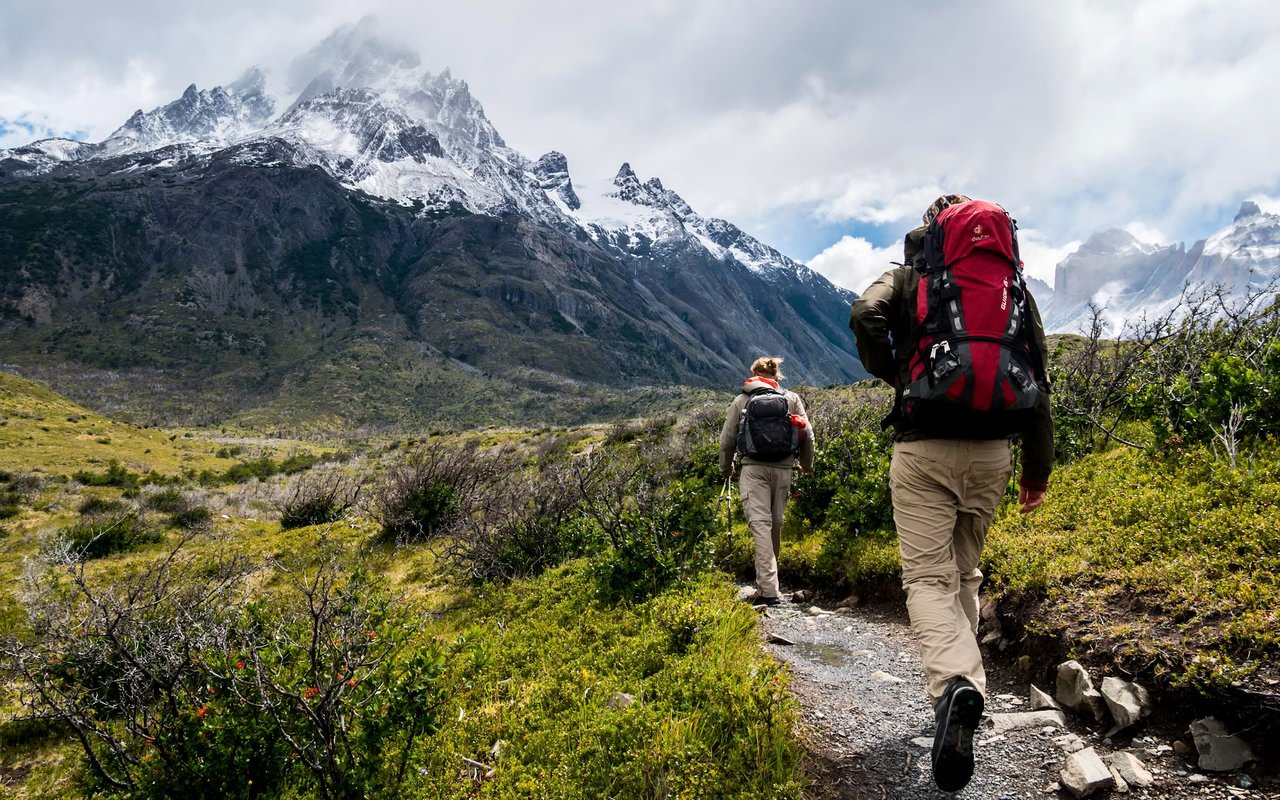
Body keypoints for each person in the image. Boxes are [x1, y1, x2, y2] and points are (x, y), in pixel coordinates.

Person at [849, 194, 1052, 792]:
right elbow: (1037, 375)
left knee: (927, 578)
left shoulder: (911, 276)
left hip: (925, 448)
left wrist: (898, 372)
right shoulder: (1012, 287)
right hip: (993, 454)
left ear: (933, 229)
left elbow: (864, 314)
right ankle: (965, 689)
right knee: (965, 572)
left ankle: (956, 685)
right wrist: (1036, 472)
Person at [719, 356, 815, 606]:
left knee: (760, 525)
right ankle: (770, 583)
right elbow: (808, 434)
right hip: (784, 469)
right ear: (776, 375)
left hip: (753, 469)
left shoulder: (741, 400)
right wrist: (806, 464)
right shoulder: (791, 398)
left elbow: (727, 440)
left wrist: (726, 469)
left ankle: (769, 590)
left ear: (754, 375)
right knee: (775, 524)